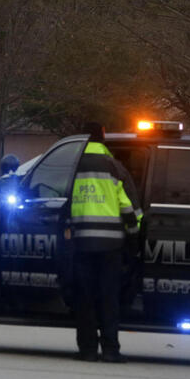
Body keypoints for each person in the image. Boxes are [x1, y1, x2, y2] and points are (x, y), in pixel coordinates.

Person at [70, 122, 142, 363]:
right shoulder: (114, 167)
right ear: (102, 136)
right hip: (111, 246)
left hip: (81, 244)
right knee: (108, 299)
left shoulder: (72, 165)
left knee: (85, 298)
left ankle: (87, 350)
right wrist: (134, 236)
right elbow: (128, 207)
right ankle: (110, 350)